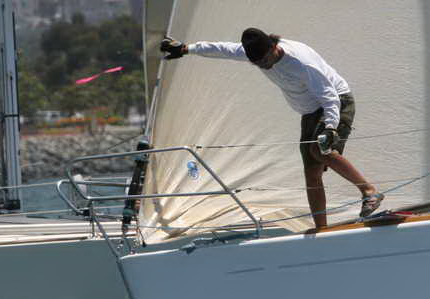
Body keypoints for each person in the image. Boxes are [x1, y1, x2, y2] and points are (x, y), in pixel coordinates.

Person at [161, 28, 383, 229]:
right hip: (310, 112)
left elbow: (329, 96)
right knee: (311, 174)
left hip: (336, 102)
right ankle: (321, 229)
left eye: (266, 60)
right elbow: (224, 49)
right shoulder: (257, 53)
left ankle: (369, 191)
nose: (264, 65)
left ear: (273, 47)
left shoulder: (300, 62)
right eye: (258, 63)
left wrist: (331, 127)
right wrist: (186, 49)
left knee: (319, 150)